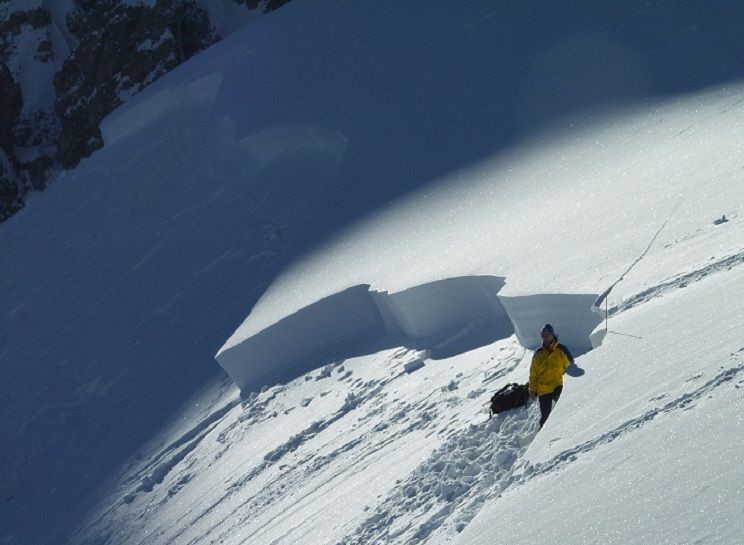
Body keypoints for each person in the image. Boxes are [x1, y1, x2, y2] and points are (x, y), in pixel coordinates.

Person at [528, 324, 574, 428]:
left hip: (558, 385)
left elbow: (570, 367)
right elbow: (533, 374)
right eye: (543, 335)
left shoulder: (561, 350)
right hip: (544, 390)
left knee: (566, 409)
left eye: (547, 334)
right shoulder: (538, 353)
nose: (545, 337)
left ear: (553, 335)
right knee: (545, 419)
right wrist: (532, 391)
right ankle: (541, 440)